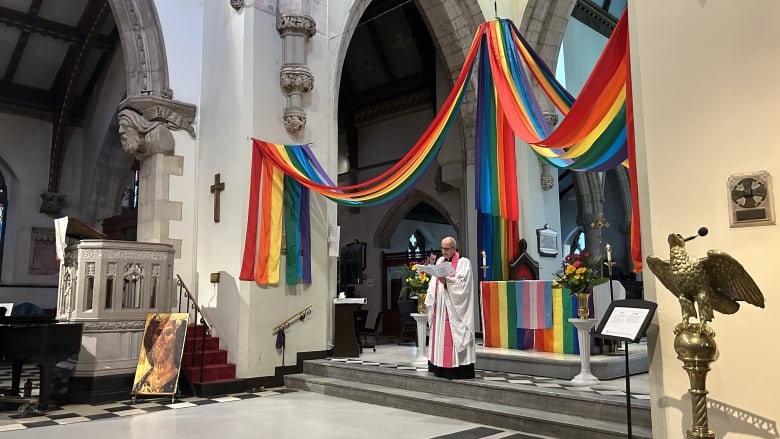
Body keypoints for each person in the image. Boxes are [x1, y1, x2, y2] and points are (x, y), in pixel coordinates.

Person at [424, 236, 476, 379]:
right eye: (442, 248)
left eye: (447, 249)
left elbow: (463, 286)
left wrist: (447, 281)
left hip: (453, 309)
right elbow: (433, 283)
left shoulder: (463, 263)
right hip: (440, 308)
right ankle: (439, 366)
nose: (444, 251)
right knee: (439, 337)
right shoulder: (440, 261)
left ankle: (455, 369)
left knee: (452, 337)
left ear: (454, 248)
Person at [132, 314, 185, 394]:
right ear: (151, 337)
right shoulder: (140, 383)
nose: (162, 339)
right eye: (158, 333)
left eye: (168, 333)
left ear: (176, 338)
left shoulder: (175, 375)